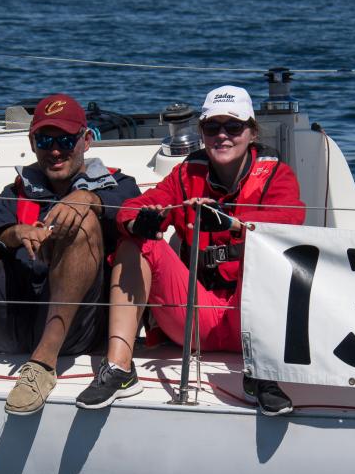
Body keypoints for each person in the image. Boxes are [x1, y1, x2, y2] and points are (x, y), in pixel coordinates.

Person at [76, 85, 306, 416]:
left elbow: (290, 222)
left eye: (234, 127)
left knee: (270, 252)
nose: (222, 136)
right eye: (212, 127)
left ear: (252, 133)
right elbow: (134, 207)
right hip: (195, 316)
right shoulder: (186, 175)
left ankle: (264, 375)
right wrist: (139, 221)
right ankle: (118, 368)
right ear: (201, 132)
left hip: (252, 318)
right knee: (136, 243)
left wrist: (231, 223)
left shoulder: (277, 177)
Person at [0, 93, 140, 417]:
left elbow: (137, 215)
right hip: (11, 319)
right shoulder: (17, 190)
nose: (55, 151)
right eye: (45, 141)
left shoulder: (119, 185)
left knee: (82, 222)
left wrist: (88, 199)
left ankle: (43, 365)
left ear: (86, 141)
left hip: (73, 329)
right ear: (32, 142)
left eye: (66, 140)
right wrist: (17, 232)